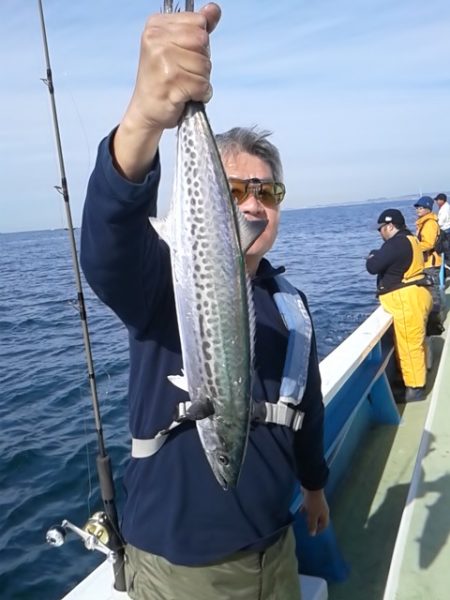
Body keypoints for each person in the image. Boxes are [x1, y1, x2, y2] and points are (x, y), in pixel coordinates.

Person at [80, 4, 329, 599]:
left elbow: (308, 408)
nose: (251, 204)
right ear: (210, 194)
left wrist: (314, 487)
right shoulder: (159, 283)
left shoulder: (291, 303)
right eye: (236, 188)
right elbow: (108, 244)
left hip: (277, 545)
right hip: (183, 572)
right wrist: (145, 116)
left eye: (267, 191)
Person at [366, 209, 432, 402]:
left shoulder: (396, 244)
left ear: (390, 226)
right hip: (416, 295)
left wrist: (372, 256)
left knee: (410, 346)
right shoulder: (410, 239)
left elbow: (372, 267)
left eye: (381, 229)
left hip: (406, 301)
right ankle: (412, 382)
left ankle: (415, 390)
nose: (380, 233)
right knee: (414, 342)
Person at [414, 196, 444, 333]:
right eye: (417, 208)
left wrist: (413, 247)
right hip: (426, 263)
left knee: (433, 294)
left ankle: (436, 324)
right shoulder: (423, 223)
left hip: (430, 263)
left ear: (427, 209)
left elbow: (429, 244)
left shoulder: (430, 223)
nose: (418, 210)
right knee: (430, 293)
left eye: (420, 208)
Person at [434, 192, 450, 265]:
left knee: (446, 249)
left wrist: (434, 225)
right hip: (446, 230)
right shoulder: (445, 207)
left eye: (438, 200)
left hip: (445, 231)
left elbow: (441, 222)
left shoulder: (445, 209)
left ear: (442, 200)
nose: (437, 202)